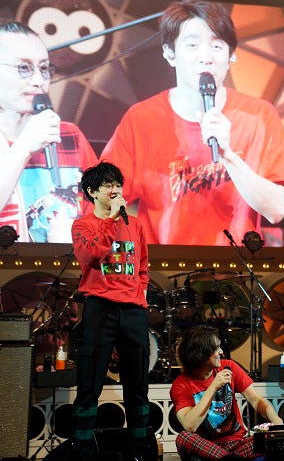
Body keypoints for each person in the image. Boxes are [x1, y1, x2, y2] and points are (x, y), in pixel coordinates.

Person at [100, 0, 284, 247]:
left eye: (216, 46)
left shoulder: (259, 116)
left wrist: (229, 157)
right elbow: (103, 203)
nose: (205, 57)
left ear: (231, 55)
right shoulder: (141, 119)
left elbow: (276, 210)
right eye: (192, 45)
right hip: (164, 265)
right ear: (170, 54)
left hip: (236, 265)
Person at [70, 161, 151, 460]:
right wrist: (112, 221)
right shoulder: (83, 225)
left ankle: (139, 450)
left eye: (118, 184)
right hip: (100, 309)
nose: (115, 189)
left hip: (133, 312)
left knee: (137, 386)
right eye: (108, 185)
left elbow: (143, 267)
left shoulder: (136, 224)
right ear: (92, 192)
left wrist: (141, 295)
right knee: (89, 384)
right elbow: (91, 255)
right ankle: (82, 450)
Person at [0, 19, 98, 243]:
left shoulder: (68, 136)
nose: (38, 80)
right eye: (23, 68)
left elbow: (107, 216)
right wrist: (24, 147)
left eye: (44, 69)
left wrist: (80, 239)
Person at [169, 325, 283, 460]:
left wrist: (276, 419)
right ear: (201, 353)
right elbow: (190, 426)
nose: (221, 352)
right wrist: (213, 387)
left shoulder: (229, 366)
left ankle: (228, 458)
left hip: (236, 444)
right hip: (206, 448)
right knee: (183, 438)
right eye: (216, 348)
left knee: (268, 438)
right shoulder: (180, 385)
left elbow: (255, 399)